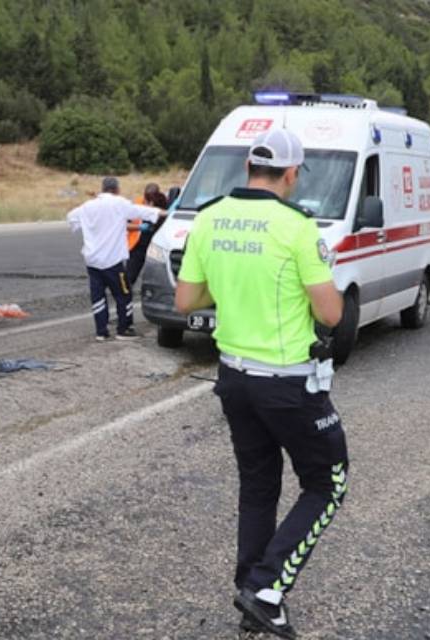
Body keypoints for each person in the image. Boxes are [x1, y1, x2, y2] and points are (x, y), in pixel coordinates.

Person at [174, 128, 346, 639]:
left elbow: (185, 303)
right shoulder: (296, 227)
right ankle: (267, 589)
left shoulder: (208, 219)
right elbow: (331, 313)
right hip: (289, 382)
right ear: (291, 174)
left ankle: (250, 588)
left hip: (234, 377)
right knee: (327, 482)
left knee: (258, 484)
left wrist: (231, 291)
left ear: (249, 168)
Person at [66, 177, 167, 342]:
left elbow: (71, 218)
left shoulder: (88, 206)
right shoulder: (119, 203)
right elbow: (143, 211)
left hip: (92, 261)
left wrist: (91, 225)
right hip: (112, 261)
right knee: (124, 294)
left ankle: (101, 332)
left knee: (98, 296)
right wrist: (167, 212)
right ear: (116, 189)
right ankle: (124, 329)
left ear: (103, 188)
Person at [126, 183, 170, 285]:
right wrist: (139, 227)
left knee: (159, 275)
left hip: (157, 245)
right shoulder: (136, 205)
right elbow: (124, 225)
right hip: (137, 245)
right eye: (147, 200)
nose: (149, 204)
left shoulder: (163, 203)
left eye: (151, 201)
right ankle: (125, 295)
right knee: (130, 275)